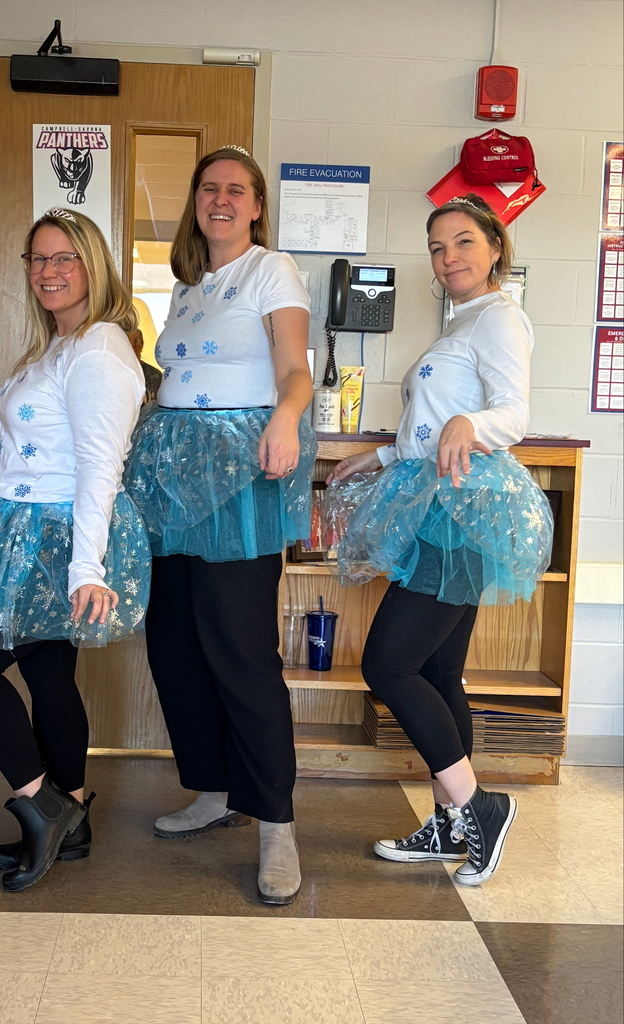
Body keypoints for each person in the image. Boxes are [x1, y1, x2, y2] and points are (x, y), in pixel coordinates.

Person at [325, 194, 553, 886]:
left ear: (494, 249)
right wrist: (382, 457)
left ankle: (479, 805)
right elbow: (430, 429)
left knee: (387, 666)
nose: (448, 257)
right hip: (440, 504)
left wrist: (470, 426)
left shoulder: (502, 318)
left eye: (462, 242)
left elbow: (511, 412)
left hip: (458, 515)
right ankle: (452, 823)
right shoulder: (464, 321)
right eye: (437, 246)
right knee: (436, 672)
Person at [0, 208, 150, 892]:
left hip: (52, 538)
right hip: (27, 526)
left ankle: (40, 806)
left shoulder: (99, 351)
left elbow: (99, 466)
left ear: (93, 267)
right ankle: (72, 813)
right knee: (49, 671)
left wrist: (85, 568)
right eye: (38, 260)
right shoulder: (62, 343)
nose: (48, 272)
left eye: (64, 259)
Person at [124, 146, 316, 905]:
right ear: (196, 202)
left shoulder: (273, 269)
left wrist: (288, 420)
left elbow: (294, 366)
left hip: (239, 472)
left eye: (237, 190)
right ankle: (211, 787)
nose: (222, 199)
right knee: (175, 646)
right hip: (170, 472)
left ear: (257, 204)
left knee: (240, 650)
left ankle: (275, 823)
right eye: (210, 188)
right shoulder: (188, 286)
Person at [128, 326, 163, 404]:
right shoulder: (117, 373)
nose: (133, 345)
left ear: (142, 345)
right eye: (128, 341)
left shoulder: (155, 375)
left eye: (137, 341)